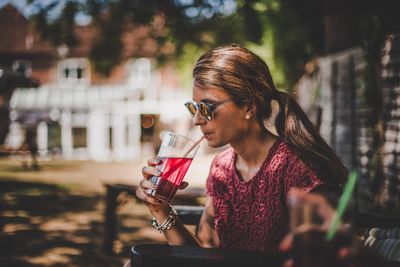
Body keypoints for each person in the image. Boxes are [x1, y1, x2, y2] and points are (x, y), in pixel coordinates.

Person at [126, 44, 348, 266]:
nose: (197, 120)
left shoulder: (296, 169)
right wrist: (161, 210)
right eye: (194, 108)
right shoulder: (221, 167)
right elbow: (203, 255)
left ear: (249, 106)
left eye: (207, 108)